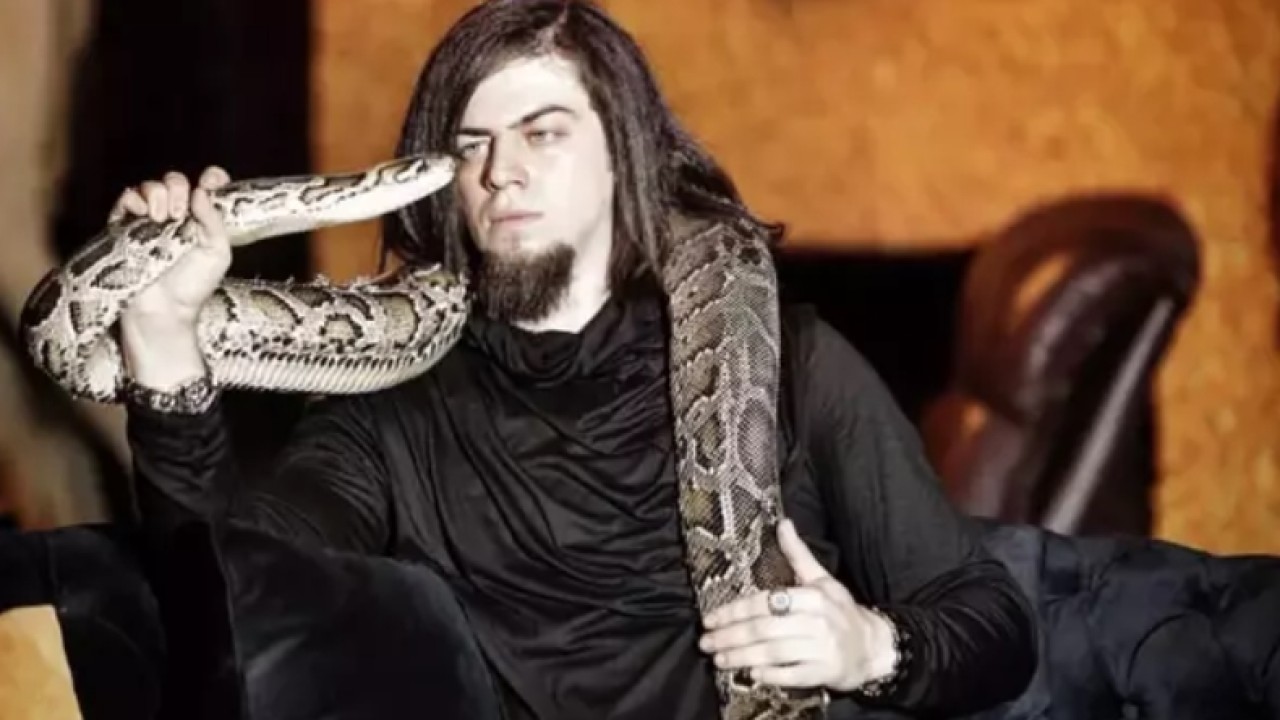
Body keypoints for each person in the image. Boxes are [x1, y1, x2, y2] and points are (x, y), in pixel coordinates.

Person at [114, 1, 1037, 718]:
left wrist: (870, 649)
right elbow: (228, 607)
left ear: (622, 157)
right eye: (471, 146)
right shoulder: (393, 405)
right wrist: (160, 341)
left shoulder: (793, 364)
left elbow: (994, 628)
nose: (500, 170)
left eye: (543, 132)